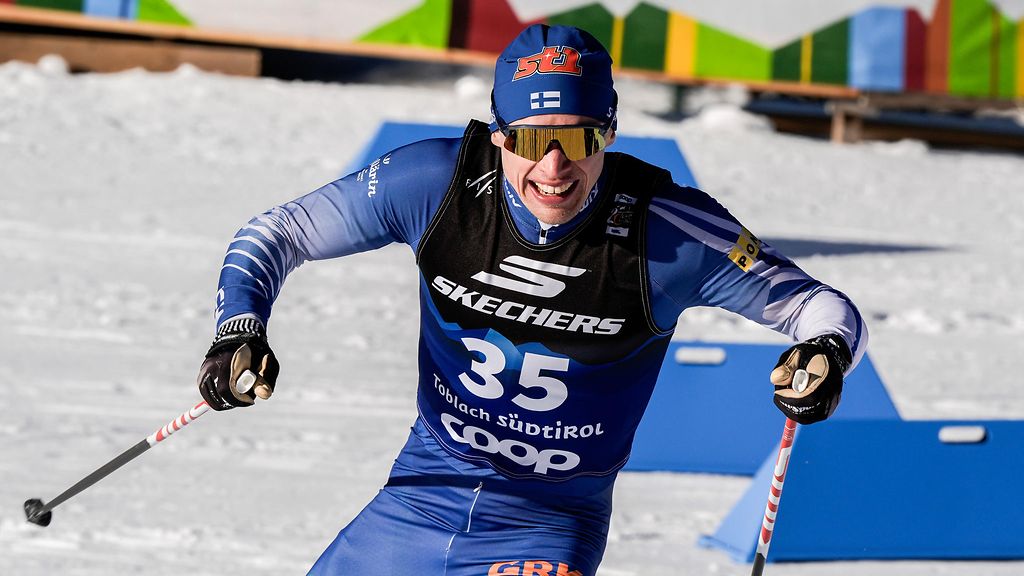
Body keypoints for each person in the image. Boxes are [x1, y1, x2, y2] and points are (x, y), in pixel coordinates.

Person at [197, 24, 867, 576]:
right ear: (498, 133)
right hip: (418, 498)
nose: (553, 167)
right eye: (528, 139)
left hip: (547, 523)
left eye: (576, 139)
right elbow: (276, 233)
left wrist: (825, 354)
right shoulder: (435, 185)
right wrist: (239, 328)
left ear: (608, 132)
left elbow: (817, 307)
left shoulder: (667, 232)